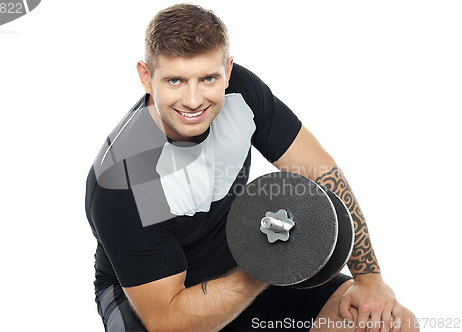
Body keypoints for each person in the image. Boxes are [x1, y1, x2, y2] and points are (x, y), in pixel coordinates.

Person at [85, 4, 418, 332]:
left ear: (227, 71)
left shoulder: (240, 92)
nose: (193, 99)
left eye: (208, 78)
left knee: (395, 325)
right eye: (175, 80)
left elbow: (320, 172)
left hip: (242, 264)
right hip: (155, 303)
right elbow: (170, 322)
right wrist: (267, 264)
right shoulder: (123, 179)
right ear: (146, 77)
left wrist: (369, 277)